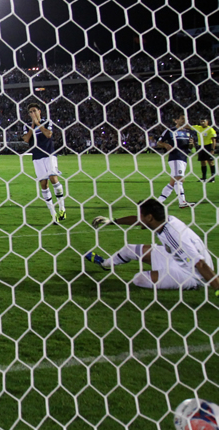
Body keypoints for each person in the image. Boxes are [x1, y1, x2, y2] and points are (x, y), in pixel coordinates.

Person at [86, 198, 219, 294]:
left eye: (140, 215)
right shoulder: (165, 220)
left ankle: (193, 285)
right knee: (129, 249)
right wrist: (113, 221)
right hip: (176, 258)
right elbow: (138, 220)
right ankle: (104, 263)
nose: (138, 218)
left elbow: (200, 263)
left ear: (149, 217)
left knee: (139, 279)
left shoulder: (173, 235)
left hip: (192, 273)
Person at [21, 102, 67, 223]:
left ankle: (62, 208)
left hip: (49, 155)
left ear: (39, 111)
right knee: (43, 184)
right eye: (30, 112)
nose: (32, 113)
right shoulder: (26, 126)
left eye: (34, 111)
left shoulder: (47, 122)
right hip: (37, 157)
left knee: (53, 179)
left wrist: (38, 124)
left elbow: (48, 134)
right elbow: (26, 139)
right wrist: (33, 125)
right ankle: (53, 214)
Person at [155, 112, 196, 208]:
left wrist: (191, 144)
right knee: (179, 180)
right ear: (176, 120)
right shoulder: (170, 131)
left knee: (173, 182)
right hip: (175, 157)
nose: (184, 120)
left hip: (184, 158)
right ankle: (182, 202)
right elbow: (159, 142)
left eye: (185, 119)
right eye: (182, 118)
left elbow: (191, 147)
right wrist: (165, 145)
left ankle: (159, 201)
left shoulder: (188, 132)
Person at [191, 118, 216, 183]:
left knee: (211, 162)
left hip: (208, 146)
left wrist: (212, 149)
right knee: (203, 162)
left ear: (207, 122)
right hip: (201, 147)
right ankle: (204, 178)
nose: (202, 123)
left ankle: (213, 178)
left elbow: (213, 140)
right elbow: (188, 126)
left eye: (203, 121)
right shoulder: (198, 127)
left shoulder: (210, 129)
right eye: (201, 121)